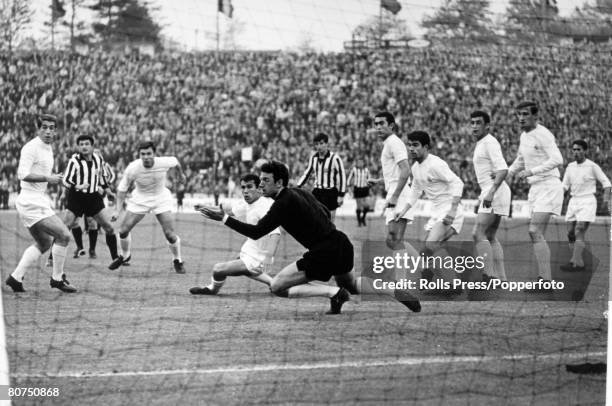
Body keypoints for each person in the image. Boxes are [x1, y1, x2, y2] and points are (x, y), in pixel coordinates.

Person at [198, 161, 420, 314]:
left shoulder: (282, 202)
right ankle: (393, 290)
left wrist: (224, 219)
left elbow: (257, 232)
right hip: (341, 243)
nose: (261, 184)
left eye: (265, 180)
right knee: (352, 284)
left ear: (279, 182)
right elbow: (323, 209)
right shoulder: (299, 191)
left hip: (323, 251)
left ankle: (333, 293)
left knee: (277, 286)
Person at [5, 114, 76, 293]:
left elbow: (45, 177)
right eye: (44, 127)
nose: (48, 131)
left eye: (52, 127)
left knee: (44, 244)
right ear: (38, 129)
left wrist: (58, 181)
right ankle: (57, 279)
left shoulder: (48, 148)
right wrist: (48, 178)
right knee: (64, 236)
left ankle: (15, 278)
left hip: (35, 199)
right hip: (31, 200)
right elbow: (22, 174)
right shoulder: (31, 147)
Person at [190, 174, 281, 295]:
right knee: (241, 266)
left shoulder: (264, 206)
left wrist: (268, 258)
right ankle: (274, 283)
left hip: (258, 257)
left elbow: (276, 233)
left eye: (249, 187)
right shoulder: (247, 203)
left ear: (259, 188)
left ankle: (212, 289)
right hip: (250, 250)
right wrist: (205, 207)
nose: (245, 191)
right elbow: (227, 211)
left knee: (218, 269)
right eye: (243, 187)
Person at [395, 131, 465, 288]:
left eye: (415, 145)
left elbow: (458, 182)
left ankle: (454, 283)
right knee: (426, 250)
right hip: (437, 212)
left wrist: (452, 210)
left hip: (450, 209)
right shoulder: (415, 167)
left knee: (431, 244)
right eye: (410, 145)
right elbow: (415, 192)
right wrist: (403, 210)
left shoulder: (436, 164)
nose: (411, 148)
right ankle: (438, 278)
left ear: (425, 147)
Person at [506, 101, 563, 286]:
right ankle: (544, 278)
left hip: (549, 185)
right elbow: (521, 159)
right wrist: (507, 173)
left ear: (535, 116)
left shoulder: (544, 134)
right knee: (535, 233)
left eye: (524, 114)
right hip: (535, 189)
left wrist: (532, 171)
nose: (520, 118)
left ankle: (546, 280)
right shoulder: (524, 136)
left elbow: (558, 159)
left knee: (534, 230)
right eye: (518, 114)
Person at [109, 141, 187, 273]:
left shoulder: (164, 162)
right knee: (123, 231)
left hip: (161, 197)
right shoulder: (132, 168)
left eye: (148, 153)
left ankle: (177, 260)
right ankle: (125, 256)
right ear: (139, 154)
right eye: (142, 154)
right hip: (140, 199)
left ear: (154, 154)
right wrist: (117, 210)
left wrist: (181, 175)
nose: (145, 157)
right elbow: (122, 190)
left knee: (170, 234)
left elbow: (176, 162)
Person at [367, 112, 418, 280]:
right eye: (376, 124)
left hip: (400, 194)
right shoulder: (389, 143)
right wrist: (379, 180)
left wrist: (395, 196)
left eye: (382, 123)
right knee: (392, 240)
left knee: (394, 238)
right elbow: (396, 173)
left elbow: (406, 170)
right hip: (396, 191)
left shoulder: (394, 143)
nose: (378, 127)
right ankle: (424, 265)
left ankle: (401, 281)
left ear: (391, 126)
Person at [61, 134, 119, 264]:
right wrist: (78, 186)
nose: (84, 147)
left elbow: (103, 178)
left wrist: (108, 191)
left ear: (92, 146)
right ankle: (52, 258)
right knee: (65, 228)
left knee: (109, 228)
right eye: (81, 144)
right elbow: (65, 180)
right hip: (77, 197)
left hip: (93, 197)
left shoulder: (98, 159)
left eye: (87, 144)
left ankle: (115, 258)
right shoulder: (74, 161)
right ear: (78, 147)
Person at [470, 110, 510, 282]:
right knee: (490, 236)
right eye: (472, 123)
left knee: (477, 233)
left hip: (495, 192)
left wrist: (491, 192)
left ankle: (489, 275)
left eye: (478, 123)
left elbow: (503, 169)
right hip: (493, 191)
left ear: (487, 126)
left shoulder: (490, 142)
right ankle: (501, 278)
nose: (474, 126)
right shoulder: (482, 143)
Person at [560, 140, 611, 272]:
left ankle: (575, 262)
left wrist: (606, 201)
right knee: (570, 233)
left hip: (588, 200)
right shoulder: (570, 167)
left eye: (579, 149)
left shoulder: (592, 166)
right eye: (574, 150)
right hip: (573, 201)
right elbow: (564, 186)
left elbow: (607, 183)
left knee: (579, 229)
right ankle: (577, 260)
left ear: (585, 151)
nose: (576, 152)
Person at [296, 132, 346, 222]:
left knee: (330, 221)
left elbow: (342, 176)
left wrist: (341, 195)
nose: (319, 146)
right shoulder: (313, 158)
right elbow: (307, 173)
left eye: (321, 143)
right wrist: (298, 186)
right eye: (317, 144)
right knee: (315, 220)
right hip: (317, 192)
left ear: (327, 144)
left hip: (331, 192)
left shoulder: (335, 158)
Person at [347, 157, 371, 227]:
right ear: (357, 163)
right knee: (359, 206)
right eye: (358, 162)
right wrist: (349, 189)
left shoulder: (366, 170)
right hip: (357, 189)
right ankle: (359, 221)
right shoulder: (354, 170)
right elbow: (349, 179)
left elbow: (369, 179)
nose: (360, 164)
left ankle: (363, 218)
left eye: (361, 162)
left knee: (367, 206)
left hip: (365, 189)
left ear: (363, 163)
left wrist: (370, 186)